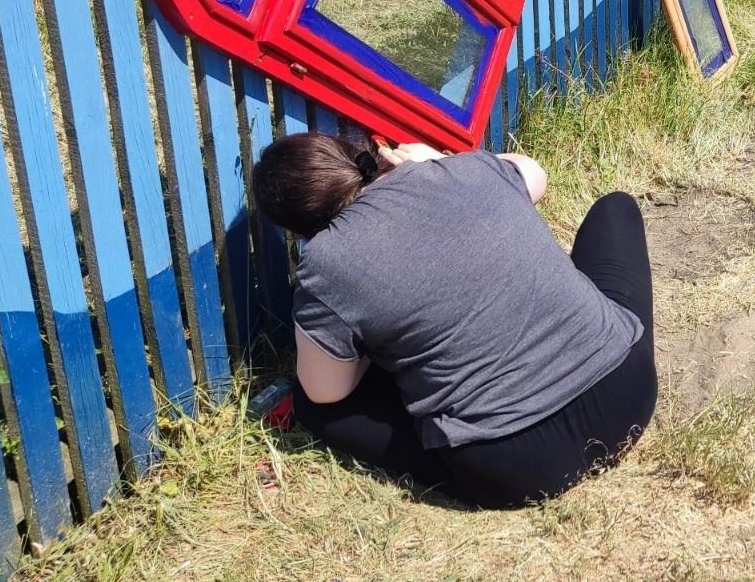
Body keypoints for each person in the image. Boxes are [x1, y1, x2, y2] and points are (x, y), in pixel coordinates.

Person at [251, 133, 656, 508]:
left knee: (312, 406)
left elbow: (324, 393)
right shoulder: (460, 169)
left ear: (296, 226)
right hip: (627, 394)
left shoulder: (325, 264)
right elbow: (536, 176)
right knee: (616, 208)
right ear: (353, 154)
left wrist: (377, 338)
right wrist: (436, 161)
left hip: (518, 468)